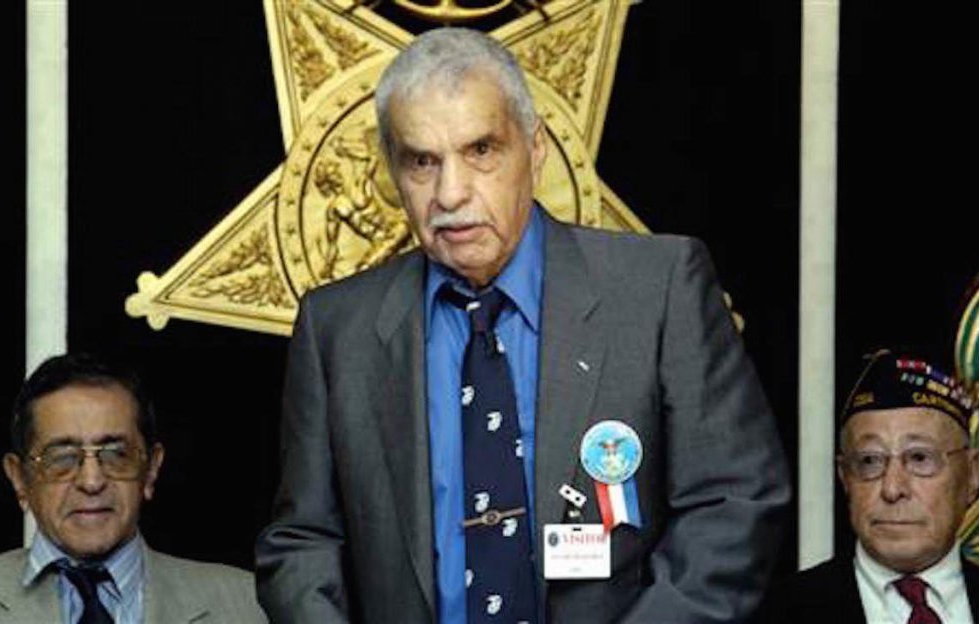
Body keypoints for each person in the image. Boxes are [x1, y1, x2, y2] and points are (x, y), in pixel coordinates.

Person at [256, 27, 789, 623]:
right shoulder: (337, 328)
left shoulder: (658, 289)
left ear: (533, 149)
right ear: (391, 173)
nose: (451, 193)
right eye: (422, 162)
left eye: (481, 150)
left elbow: (734, 503)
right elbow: (302, 542)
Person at [0, 353, 266, 623]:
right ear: (19, 478)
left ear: (151, 468)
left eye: (116, 454)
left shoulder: (246, 604)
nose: (92, 482)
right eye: (63, 458)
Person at [759, 350, 979, 623]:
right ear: (845, 478)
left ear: (972, 474)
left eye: (920, 458)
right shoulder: (779, 612)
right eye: (870, 461)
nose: (892, 489)